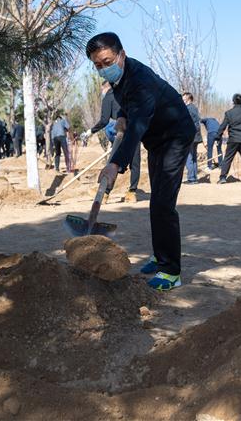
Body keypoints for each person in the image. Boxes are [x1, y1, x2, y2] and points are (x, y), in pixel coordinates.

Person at [87, 32, 195, 291]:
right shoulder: (120, 78)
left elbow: (137, 127)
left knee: (162, 203)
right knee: (157, 200)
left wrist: (116, 164)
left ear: (121, 55)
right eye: (98, 65)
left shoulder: (141, 80)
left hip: (175, 136)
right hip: (157, 140)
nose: (103, 69)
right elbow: (129, 107)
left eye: (107, 62)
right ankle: (160, 255)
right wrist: (122, 115)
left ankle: (171, 271)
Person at [83, 80, 142, 201]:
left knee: (113, 162)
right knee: (134, 162)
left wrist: (91, 131)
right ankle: (132, 193)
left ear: (106, 87)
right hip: (136, 128)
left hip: (121, 131)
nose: (102, 92)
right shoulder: (126, 93)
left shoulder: (109, 97)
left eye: (102, 90)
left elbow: (104, 120)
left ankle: (105, 192)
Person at [182, 92, 202, 184]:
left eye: (184, 98)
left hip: (190, 136)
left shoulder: (188, 109)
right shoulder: (194, 108)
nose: (183, 100)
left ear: (189, 99)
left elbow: (186, 123)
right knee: (193, 157)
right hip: (196, 136)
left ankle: (191, 178)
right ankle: (194, 177)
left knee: (188, 157)